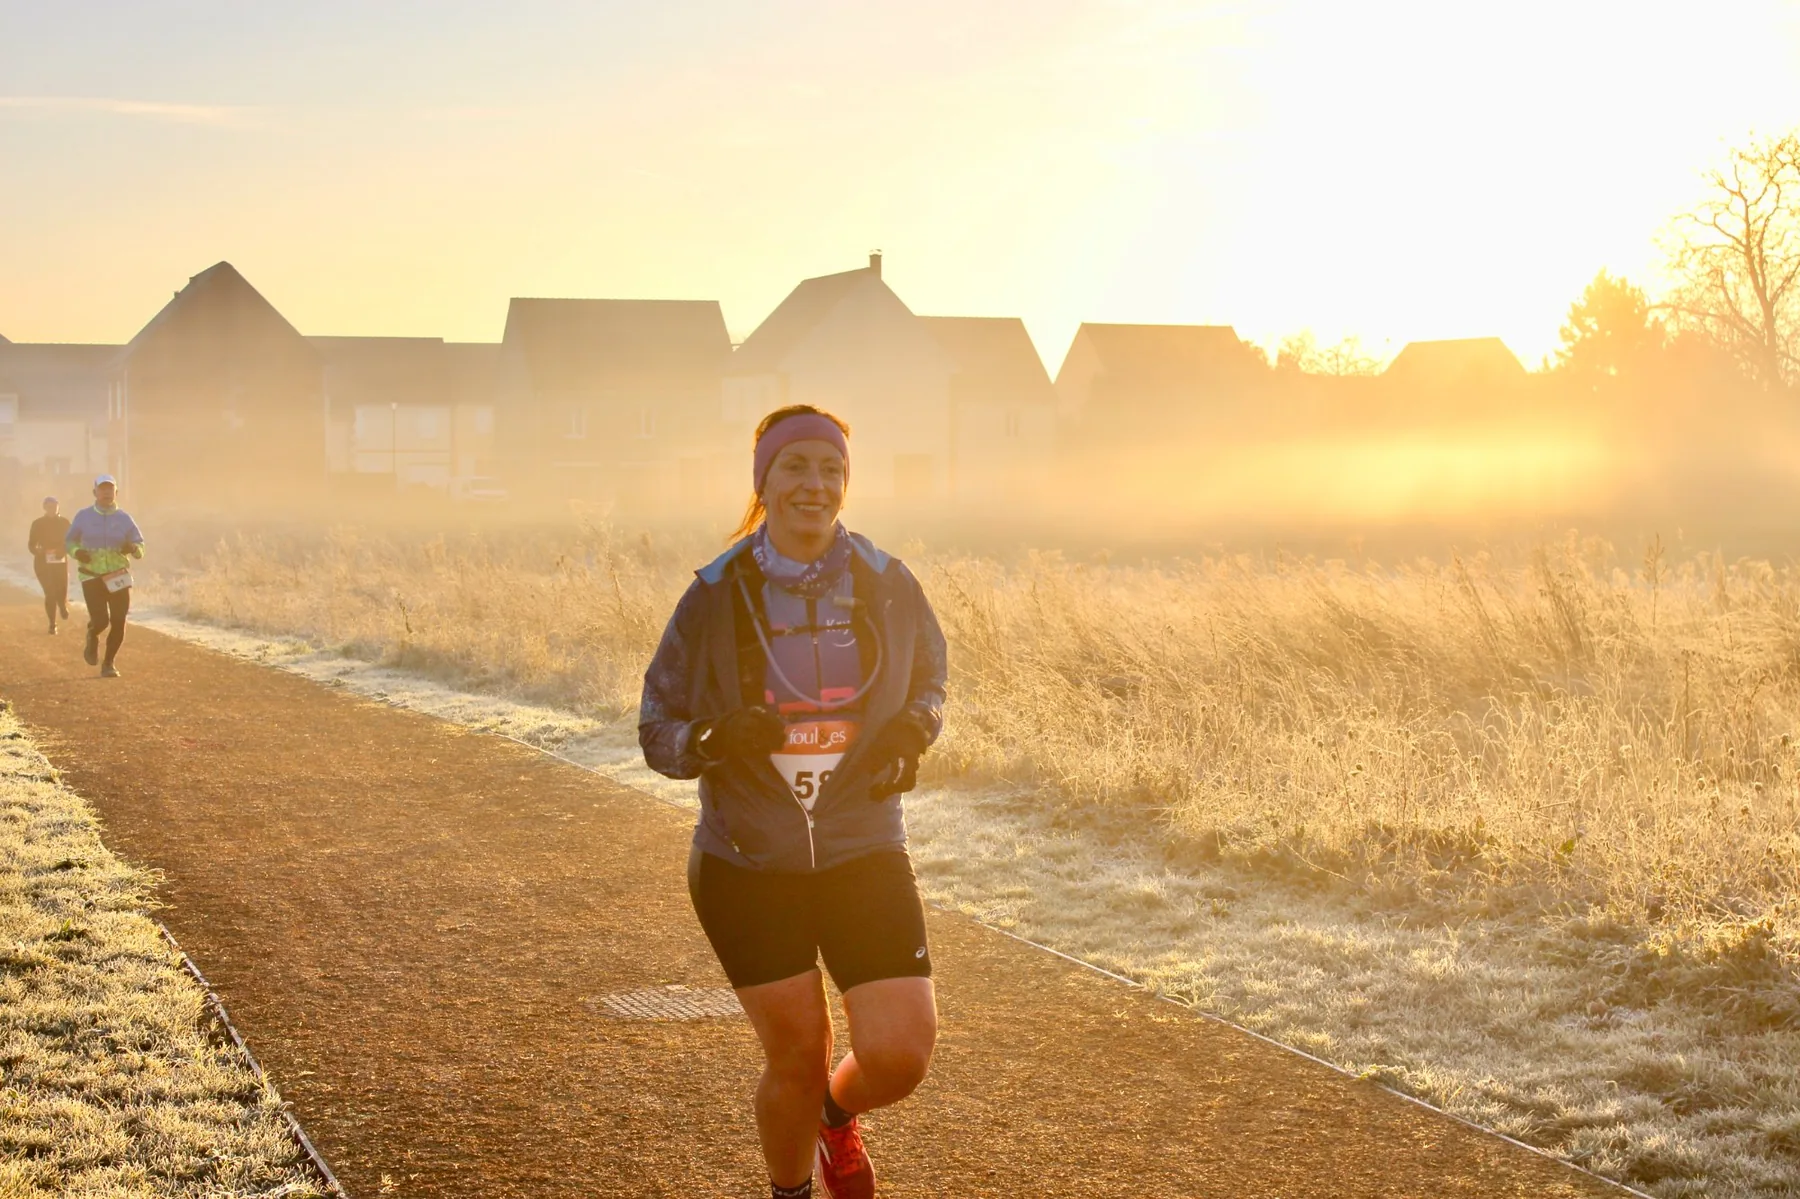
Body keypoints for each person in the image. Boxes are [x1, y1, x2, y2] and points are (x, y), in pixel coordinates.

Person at [640, 406, 947, 1199]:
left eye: (832, 469)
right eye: (797, 467)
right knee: (796, 1056)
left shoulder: (888, 581)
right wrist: (716, 738)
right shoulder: (714, 594)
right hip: (747, 860)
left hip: (863, 847)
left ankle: (834, 1118)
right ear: (765, 480)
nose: (817, 484)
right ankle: (791, 1192)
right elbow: (657, 729)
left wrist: (914, 728)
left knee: (900, 1054)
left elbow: (931, 681)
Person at [66, 474, 144, 679]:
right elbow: (69, 542)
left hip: (118, 575)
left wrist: (133, 548)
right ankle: (92, 634)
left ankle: (108, 663)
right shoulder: (83, 516)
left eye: (111, 489)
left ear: (116, 493)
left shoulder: (125, 519)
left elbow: (140, 547)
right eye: (103, 489)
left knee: (119, 620)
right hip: (91, 576)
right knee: (101, 621)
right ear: (95, 493)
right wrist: (76, 552)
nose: (107, 493)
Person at [26, 496, 71, 634]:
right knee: (50, 592)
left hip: (60, 561)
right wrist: (38, 551)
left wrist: (63, 550)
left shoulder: (65, 523)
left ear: (59, 506)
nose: (52, 509)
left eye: (55, 506)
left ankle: (62, 605)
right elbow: (31, 544)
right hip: (42, 563)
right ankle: (52, 624)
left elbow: (71, 542)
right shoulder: (37, 524)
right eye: (49, 506)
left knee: (61, 590)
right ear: (44, 508)